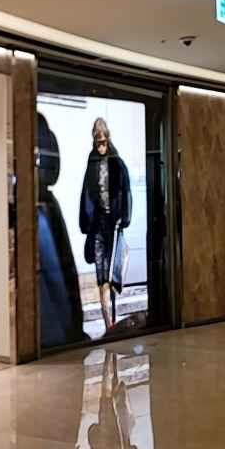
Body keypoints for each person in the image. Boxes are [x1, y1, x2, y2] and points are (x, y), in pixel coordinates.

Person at [79, 118, 131, 331]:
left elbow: (125, 192)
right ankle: (108, 323)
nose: (100, 146)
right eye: (97, 143)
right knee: (102, 277)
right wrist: (86, 223)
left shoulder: (117, 163)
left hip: (114, 225)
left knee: (113, 275)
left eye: (103, 142)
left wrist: (123, 218)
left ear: (108, 140)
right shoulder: (91, 163)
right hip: (98, 226)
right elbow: (85, 194)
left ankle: (112, 320)